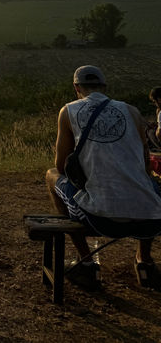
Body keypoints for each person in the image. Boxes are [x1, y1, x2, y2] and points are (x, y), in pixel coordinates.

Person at [46, 65, 161, 291]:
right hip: (151, 220)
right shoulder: (131, 111)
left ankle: (87, 263)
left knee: (51, 175)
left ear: (76, 88)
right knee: (146, 185)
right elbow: (146, 164)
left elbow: (61, 166)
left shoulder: (68, 111)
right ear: (105, 87)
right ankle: (144, 261)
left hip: (101, 218)